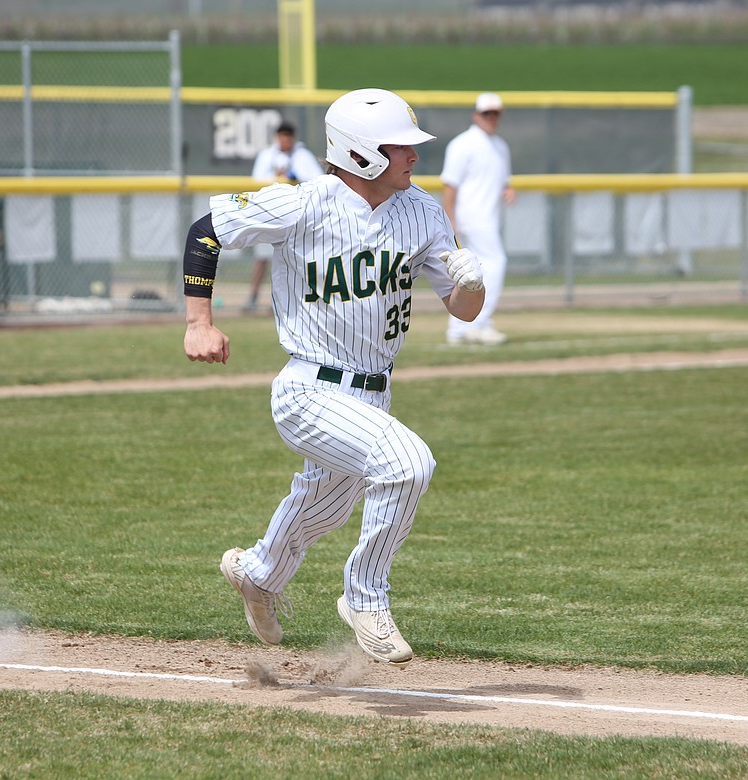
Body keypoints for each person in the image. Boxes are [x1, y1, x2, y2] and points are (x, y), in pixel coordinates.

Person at [181, 88, 486, 668]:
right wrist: (199, 323)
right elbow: (206, 228)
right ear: (363, 153)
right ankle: (363, 596)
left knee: (324, 505)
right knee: (408, 462)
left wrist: (472, 285)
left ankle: (257, 573)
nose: (414, 156)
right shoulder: (303, 203)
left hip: (374, 393)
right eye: (401, 147)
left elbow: (463, 311)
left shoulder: (422, 211)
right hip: (307, 389)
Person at [440, 92, 515, 346]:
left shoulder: (500, 146)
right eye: (487, 113)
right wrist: (449, 219)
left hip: (489, 218)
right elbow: (450, 186)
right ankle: (480, 322)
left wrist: (508, 190)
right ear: (476, 115)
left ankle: (458, 329)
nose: (492, 118)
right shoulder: (463, 144)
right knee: (496, 262)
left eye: (496, 114)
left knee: (472, 271)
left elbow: (502, 180)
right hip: (471, 218)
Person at [243, 121, 324, 313]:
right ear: (277, 137)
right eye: (282, 136)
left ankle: (294, 299)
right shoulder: (267, 155)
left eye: (288, 136)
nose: (285, 140)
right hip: (270, 211)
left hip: (297, 214)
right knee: (262, 258)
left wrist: (293, 175)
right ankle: (253, 296)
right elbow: (255, 179)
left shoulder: (302, 155)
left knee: (297, 258)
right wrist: (276, 176)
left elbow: (318, 178)